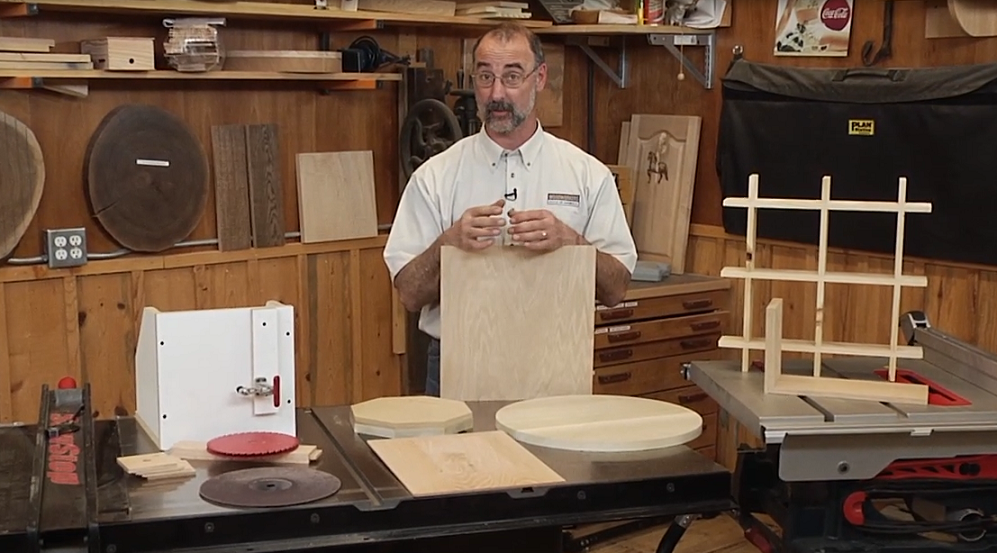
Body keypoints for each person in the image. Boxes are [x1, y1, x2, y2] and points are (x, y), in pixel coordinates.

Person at [383, 22, 637, 396]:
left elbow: (616, 289)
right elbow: (408, 293)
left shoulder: (587, 175)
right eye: (486, 77)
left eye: (512, 76)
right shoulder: (434, 177)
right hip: (458, 366)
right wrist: (448, 244)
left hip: (557, 366)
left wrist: (571, 243)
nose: (496, 93)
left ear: (540, 78)